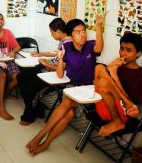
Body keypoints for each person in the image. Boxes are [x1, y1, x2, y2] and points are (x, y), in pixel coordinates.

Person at [26, 14, 106, 155]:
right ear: (70, 35)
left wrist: (99, 25)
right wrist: (61, 59)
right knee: (68, 113)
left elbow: (99, 48)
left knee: (67, 104)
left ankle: (39, 136)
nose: (82, 34)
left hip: (88, 90)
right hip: (71, 87)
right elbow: (60, 75)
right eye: (78, 32)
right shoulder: (66, 47)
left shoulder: (90, 45)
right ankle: (45, 143)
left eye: (84, 31)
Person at [17, 18, 71, 125]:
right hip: (49, 68)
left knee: (32, 87)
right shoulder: (64, 40)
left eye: (52, 32)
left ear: (58, 31)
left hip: (55, 74)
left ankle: (30, 113)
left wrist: (46, 64)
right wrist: (41, 54)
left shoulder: (68, 44)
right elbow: (56, 53)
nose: (51, 35)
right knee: (21, 77)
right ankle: (36, 109)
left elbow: (64, 67)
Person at [94, 33, 142, 137]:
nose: (123, 53)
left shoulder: (141, 74)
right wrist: (109, 68)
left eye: (129, 50)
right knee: (99, 67)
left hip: (125, 112)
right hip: (104, 105)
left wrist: (114, 76)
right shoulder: (118, 66)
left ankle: (117, 121)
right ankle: (116, 121)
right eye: (121, 49)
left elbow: (132, 105)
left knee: (104, 81)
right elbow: (97, 84)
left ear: (138, 53)